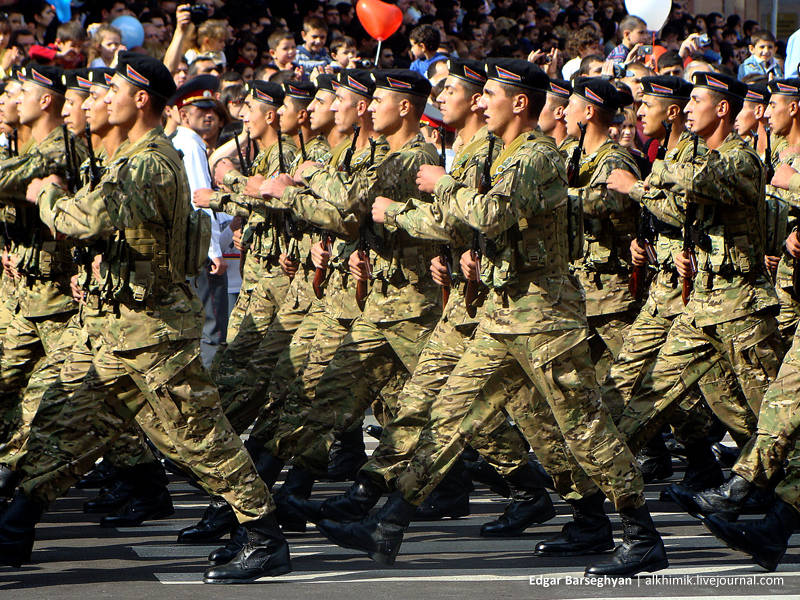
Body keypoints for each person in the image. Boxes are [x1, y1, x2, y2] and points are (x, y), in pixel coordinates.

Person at [315, 58, 668, 579]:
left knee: (585, 429)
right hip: (503, 313)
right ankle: (389, 522)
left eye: (489, 94)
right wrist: (412, 220)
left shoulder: (536, 157)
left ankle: (641, 534)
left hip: (546, 318)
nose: (479, 102)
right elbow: (466, 220)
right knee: (450, 414)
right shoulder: (503, 155)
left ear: (519, 102)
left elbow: (487, 213)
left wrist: (438, 185)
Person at [0, 52, 290, 585]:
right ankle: (16, 521)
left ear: (139, 99)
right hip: (114, 329)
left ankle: (264, 533)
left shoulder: (149, 161)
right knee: (69, 425)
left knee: (197, 436)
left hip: (151, 330)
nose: (99, 99)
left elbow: (87, 219)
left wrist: (47, 196)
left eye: (111, 89)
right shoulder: (131, 156)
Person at [169, 74, 229, 368]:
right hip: (201, 247)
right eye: (200, 111)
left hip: (186, 246)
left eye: (212, 110)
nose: (208, 116)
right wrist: (214, 250)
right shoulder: (190, 145)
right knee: (213, 328)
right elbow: (200, 198)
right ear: (183, 114)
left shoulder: (178, 141)